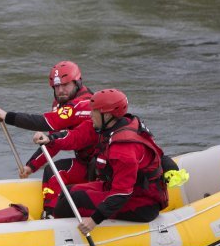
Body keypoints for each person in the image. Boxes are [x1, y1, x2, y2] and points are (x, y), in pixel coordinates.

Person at [32, 88, 169, 235]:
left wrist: (94, 220)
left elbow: (121, 194)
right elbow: (76, 136)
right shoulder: (113, 125)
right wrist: (50, 139)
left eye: (94, 112)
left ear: (108, 114)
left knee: (73, 200)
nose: (91, 115)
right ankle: (53, 222)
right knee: (69, 191)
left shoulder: (124, 149)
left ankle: (54, 237)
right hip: (122, 190)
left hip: (141, 203)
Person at [0, 60, 96, 216]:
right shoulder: (61, 103)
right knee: (52, 172)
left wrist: (8, 117)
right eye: (56, 87)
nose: (60, 90)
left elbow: (45, 122)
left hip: (102, 167)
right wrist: (31, 166)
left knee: (56, 171)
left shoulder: (83, 104)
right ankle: (50, 215)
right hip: (86, 162)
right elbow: (54, 141)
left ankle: (55, 219)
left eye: (65, 85)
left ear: (77, 82)